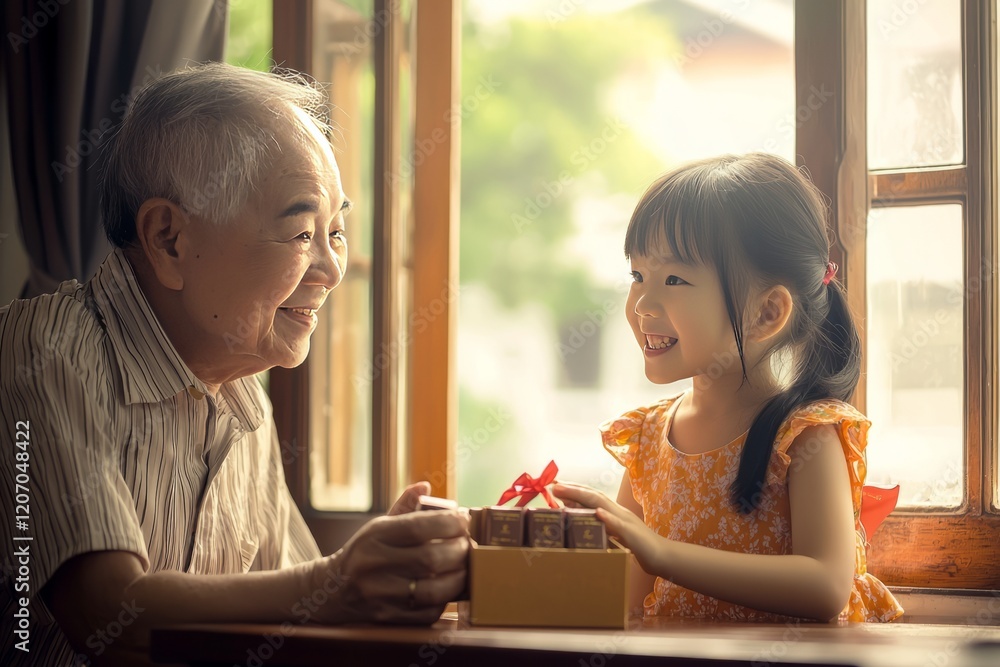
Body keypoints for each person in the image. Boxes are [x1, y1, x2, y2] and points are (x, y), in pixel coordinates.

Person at [0, 62, 468, 666]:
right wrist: (341, 581)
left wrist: (398, 576)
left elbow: (292, 605)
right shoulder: (45, 349)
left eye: (338, 231)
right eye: (302, 233)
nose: (332, 271)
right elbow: (108, 615)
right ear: (169, 239)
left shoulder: (243, 395)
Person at [554, 153, 903, 623]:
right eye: (638, 276)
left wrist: (660, 552)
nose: (642, 304)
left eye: (674, 279)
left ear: (766, 313)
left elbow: (825, 586)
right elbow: (627, 601)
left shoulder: (804, 435)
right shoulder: (646, 438)